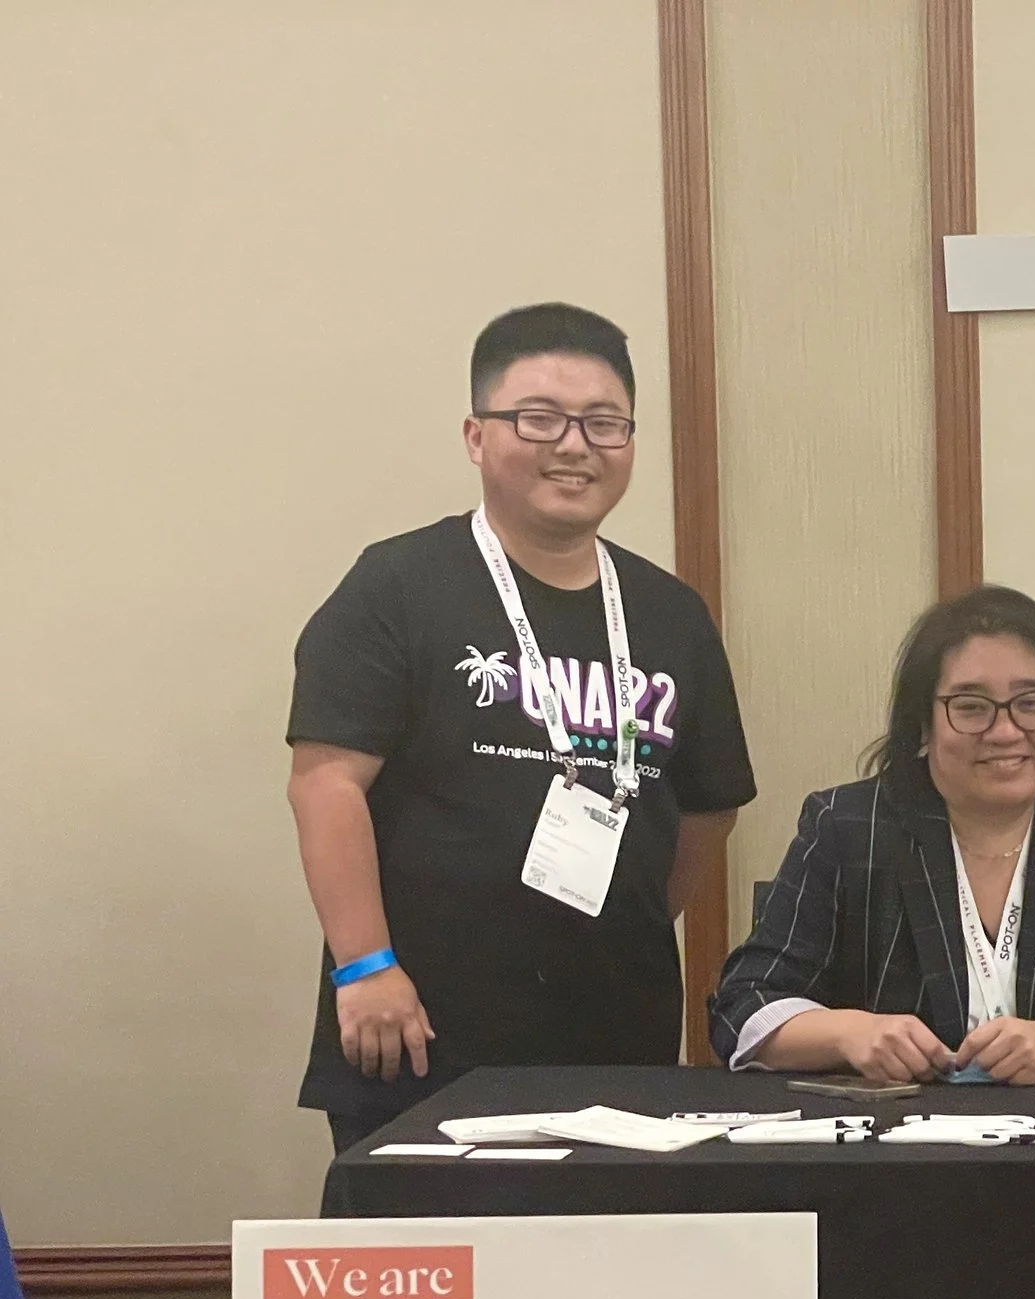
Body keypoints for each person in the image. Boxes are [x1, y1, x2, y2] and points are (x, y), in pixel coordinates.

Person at [286, 303, 757, 1151]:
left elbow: (707, 809)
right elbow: (325, 783)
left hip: (618, 1035)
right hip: (420, 1032)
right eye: (538, 419)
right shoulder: (398, 586)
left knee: (605, 1276)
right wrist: (365, 966)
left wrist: (627, 919)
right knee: (441, 1275)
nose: (574, 445)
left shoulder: (671, 614)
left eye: (604, 423)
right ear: (476, 436)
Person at [710, 586, 1035, 1082]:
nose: (1005, 731)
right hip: (896, 1136)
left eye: (1030, 703)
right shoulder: (848, 825)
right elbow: (743, 1007)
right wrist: (849, 1033)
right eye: (971, 707)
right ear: (924, 720)